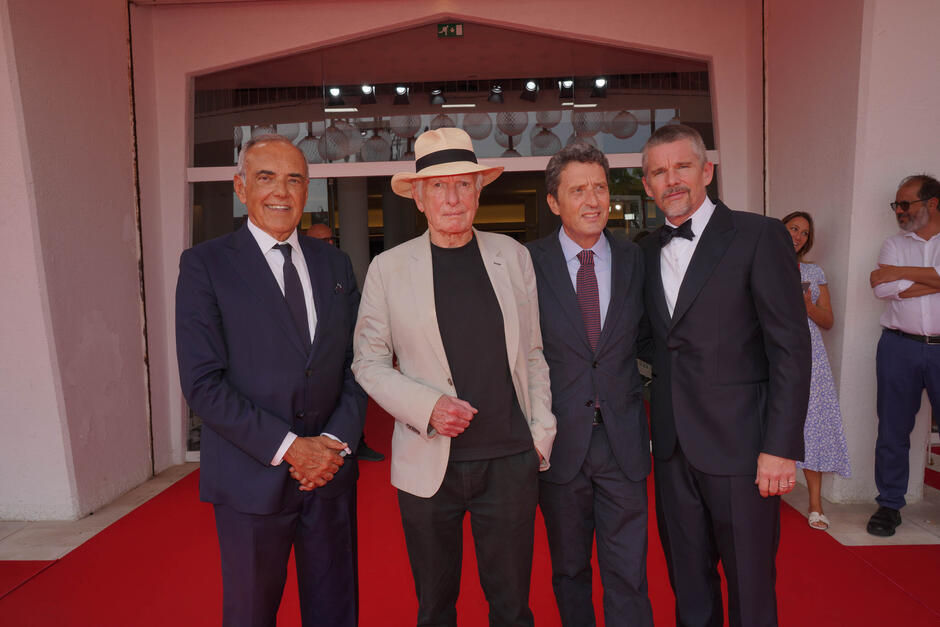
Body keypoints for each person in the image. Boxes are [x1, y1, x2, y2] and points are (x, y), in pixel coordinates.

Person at [352, 127, 556, 626]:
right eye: (438, 187)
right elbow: (368, 362)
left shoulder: (514, 257)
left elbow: (533, 352)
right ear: (418, 197)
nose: (452, 198)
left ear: (479, 190)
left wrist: (540, 436)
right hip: (428, 465)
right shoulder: (388, 269)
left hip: (510, 460)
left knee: (512, 608)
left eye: (464, 184)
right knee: (435, 608)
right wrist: (429, 408)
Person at [175, 134, 366, 627]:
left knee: (335, 611)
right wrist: (289, 448)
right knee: (251, 614)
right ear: (241, 188)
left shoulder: (336, 264)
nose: (280, 191)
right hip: (250, 480)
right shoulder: (205, 265)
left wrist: (331, 444)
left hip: (329, 476)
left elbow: (357, 364)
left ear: (308, 191)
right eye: (266, 178)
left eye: (294, 179)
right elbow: (202, 382)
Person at [637, 124, 811, 626]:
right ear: (647, 185)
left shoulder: (759, 235)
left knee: (751, 587)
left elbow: (790, 348)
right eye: (658, 172)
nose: (671, 180)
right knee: (688, 585)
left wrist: (780, 447)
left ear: (707, 171)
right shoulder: (645, 251)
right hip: (671, 448)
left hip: (743, 447)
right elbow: (652, 338)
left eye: (682, 166)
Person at [527, 143, 653, 626]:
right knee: (570, 569)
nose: (593, 199)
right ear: (554, 202)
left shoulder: (635, 259)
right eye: (578, 190)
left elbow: (652, 338)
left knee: (628, 572)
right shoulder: (526, 263)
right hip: (559, 443)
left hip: (623, 440)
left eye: (599, 187)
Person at [868, 174, 940, 537]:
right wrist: (931, 278)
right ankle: (889, 505)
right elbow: (883, 287)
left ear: (932, 203)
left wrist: (901, 276)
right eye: (896, 204)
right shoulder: (892, 244)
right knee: (893, 429)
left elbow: (894, 282)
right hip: (898, 346)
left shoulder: (898, 257)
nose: (898, 210)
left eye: (905, 203)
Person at [781, 212, 852, 531]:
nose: (798, 236)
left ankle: (815, 503)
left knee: (815, 424)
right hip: (769, 353)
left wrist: (805, 303)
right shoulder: (759, 265)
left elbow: (828, 320)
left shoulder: (812, 271)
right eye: (793, 228)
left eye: (805, 233)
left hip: (810, 356)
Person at [304, 223, 385, 463]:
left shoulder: (340, 264)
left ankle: (354, 443)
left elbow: (353, 309)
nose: (326, 245)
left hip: (339, 356)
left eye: (330, 239)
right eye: (320, 241)